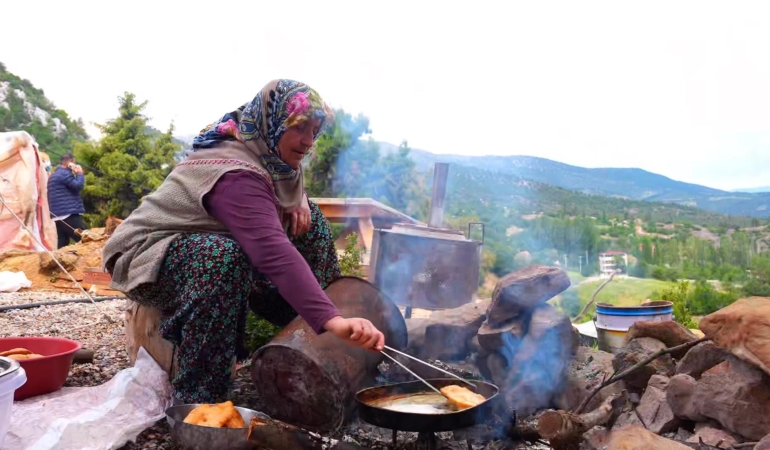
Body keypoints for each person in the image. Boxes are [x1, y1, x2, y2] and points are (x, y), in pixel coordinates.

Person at [103, 79, 386, 405]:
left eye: (315, 130)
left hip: (208, 247)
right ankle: (198, 401)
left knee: (311, 221)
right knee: (224, 259)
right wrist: (332, 320)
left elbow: (286, 194)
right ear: (274, 123)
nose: (308, 141)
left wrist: (300, 200)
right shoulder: (235, 171)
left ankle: (323, 351)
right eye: (300, 128)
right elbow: (273, 253)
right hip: (147, 254)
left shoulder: (269, 154)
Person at [47, 153, 86, 248]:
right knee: (85, 239)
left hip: (58, 215)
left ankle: (57, 262)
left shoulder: (54, 175)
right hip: (68, 213)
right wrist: (80, 174)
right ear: (70, 163)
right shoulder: (64, 174)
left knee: (63, 241)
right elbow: (77, 186)